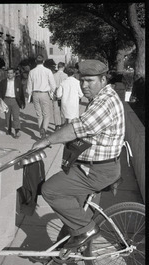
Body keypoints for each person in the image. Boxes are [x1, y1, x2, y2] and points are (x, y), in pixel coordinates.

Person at [32, 59, 125, 250]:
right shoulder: (101, 97)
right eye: (82, 80)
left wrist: (47, 140)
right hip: (93, 166)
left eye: (90, 81)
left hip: (97, 170)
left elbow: (79, 128)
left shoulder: (105, 102)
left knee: (50, 190)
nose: (84, 85)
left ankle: (87, 229)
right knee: (73, 209)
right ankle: (63, 252)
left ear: (103, 79)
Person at [26, 55, 56, 138]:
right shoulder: (48, 71)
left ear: (36, 61)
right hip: (44, 93)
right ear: (43, 61)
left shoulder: (32, 72)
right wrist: (53, 92)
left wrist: (29, 94)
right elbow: (53, 84)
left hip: (35, 93)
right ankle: (44, 130)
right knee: (46, 114)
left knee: (39, 115)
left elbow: (29, 85)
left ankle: (41, 133)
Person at [0, 68, 25, 138]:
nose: (9, 74)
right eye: (8, 73)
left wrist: (23, 103)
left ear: (14, 74)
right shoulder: (3, 82)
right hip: (6, 100)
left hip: (15, 100)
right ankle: (9, 129)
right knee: (7, 116)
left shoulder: (18, 82)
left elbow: (21, 93)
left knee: (16, 116)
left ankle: (17, 131)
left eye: (11, 73)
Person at [53, 62, 68, 131]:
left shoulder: (54, 75)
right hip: (63, 94)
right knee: (63, 110)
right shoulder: (66, 76)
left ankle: (57, 125)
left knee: (56, 110)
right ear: (63, 67)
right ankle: (63, 124)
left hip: (55, 94)